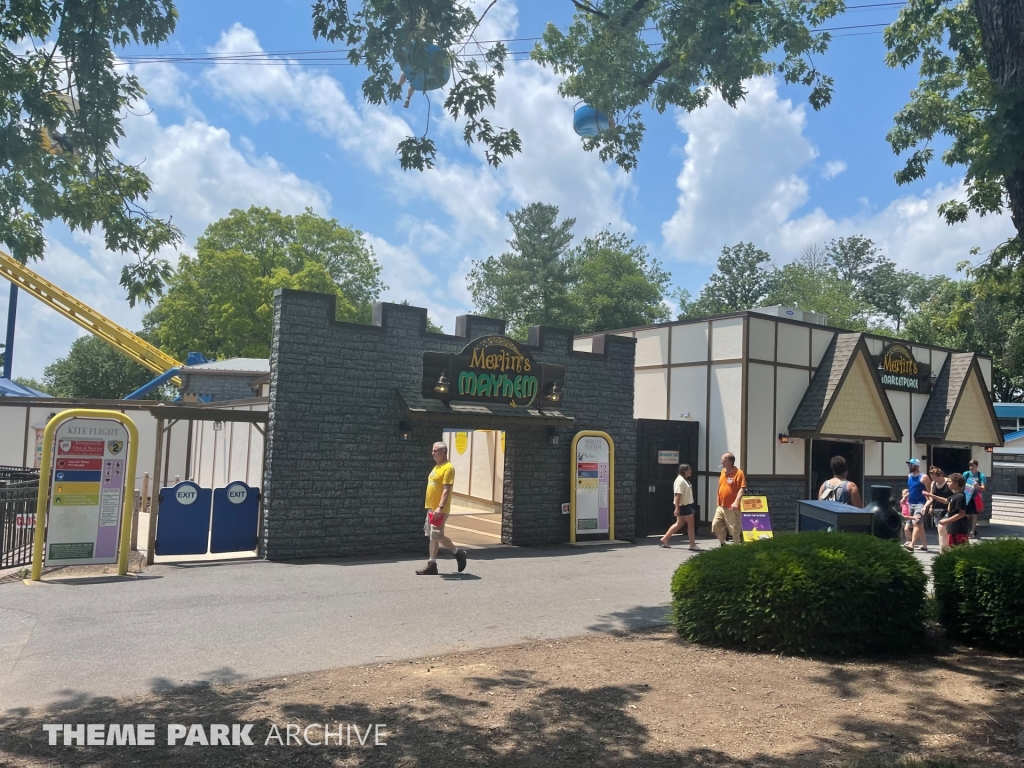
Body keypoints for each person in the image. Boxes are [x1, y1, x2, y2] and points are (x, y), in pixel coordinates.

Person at [416, 441, 467, 575]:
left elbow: (446, 489)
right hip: (431, 508)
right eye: (432, 451)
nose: (432, 453)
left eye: (435, 451)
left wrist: (440, 507)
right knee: (433, 537)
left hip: (440, 509)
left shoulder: (448, 468)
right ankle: (432, 564)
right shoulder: (437, 467)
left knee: (437, 535)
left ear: (443, 452)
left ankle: (458, 553)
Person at [659, 464, 699, 551]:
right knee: (691, 525)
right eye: (689, 469)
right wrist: (677, 508)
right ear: (684, 471)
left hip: (686, 504)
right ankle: (692, 544)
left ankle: (665, 539)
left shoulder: (685, 480)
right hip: (684, 505)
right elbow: (677, 495)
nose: (690, 471)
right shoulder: (680, 481)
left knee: (679, 523)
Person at [711, 453, 745, 547]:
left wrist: (736, 502)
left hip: (732, 507)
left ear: (730, 462)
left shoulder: (739, 473)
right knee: (716, 525)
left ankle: (736, 548)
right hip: (721, 505)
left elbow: (742, 488)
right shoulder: (723, 472)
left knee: (734, 529)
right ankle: (723, 544)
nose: (721, 461)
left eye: (723, 459)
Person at [923, 466, 953, 553]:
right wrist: (927, 506)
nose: (934, 480)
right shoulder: (933, 484)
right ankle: (943, 549)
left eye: (935, 478)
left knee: (943, 529)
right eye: (932, 478)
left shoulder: (949, 482)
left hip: (947, 509)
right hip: (937, 510)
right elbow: (931, 498)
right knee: (940, 531)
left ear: (941, 475)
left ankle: (945, 549)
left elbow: (953, 496)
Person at [941, 473, 971, 547]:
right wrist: (930, 495)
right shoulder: (954, 496)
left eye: (949, 481)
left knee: (960, 550)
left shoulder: (960, 497)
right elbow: (945, 500)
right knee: (952, 549)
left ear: (956, 483)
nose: (947, 483)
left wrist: (947, 520)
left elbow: (962, 513)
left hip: (959, 529)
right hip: (952, 528)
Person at [905, 458, 929, 552]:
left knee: (916, 524)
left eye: (911, 465)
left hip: (920, 503)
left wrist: (928, 505)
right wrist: (905, 497)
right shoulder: (909, 476)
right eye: (909, 465)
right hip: (911, 502)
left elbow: (928, 491)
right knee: (919, 525)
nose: (909, 466)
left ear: (917, 466)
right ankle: (924, 545)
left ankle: (912, 544)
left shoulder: (924, 477)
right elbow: (911, 489)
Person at [964, 459, 986, 539]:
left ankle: (972, 531)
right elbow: (962, 483)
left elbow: (983, 487)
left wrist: (978, 487)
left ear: (976, 466)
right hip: (967, 496)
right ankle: (967, 528)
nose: (971, 467)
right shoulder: (966, 474)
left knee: (974, 514)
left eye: (973, 465)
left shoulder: (981, 475)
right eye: (970, 465)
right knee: (966, 514)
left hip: (975, 497)